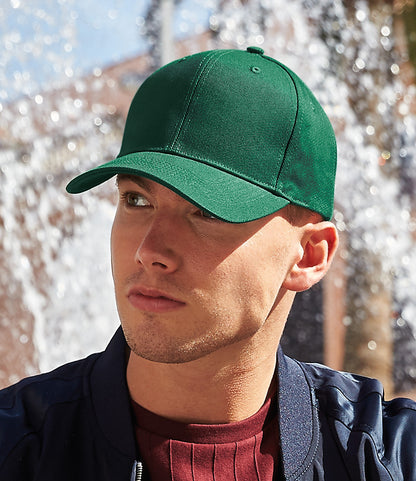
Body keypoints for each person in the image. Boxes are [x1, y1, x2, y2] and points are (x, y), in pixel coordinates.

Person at [0, 46, 415, 481]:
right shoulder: (14, 447)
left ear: (310, 254)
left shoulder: (389, 455)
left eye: (207, 211)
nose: (149, 250)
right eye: (136, 199)